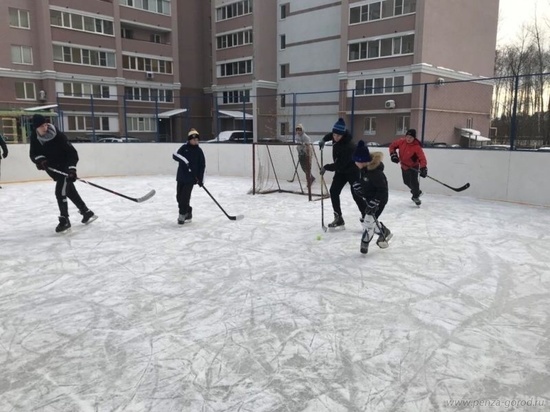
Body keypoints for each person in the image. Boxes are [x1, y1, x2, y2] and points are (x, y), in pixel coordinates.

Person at [29, 114, 96, 233]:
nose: (44, 128)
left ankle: (64, 219)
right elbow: (33, 154)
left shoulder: (58, 135)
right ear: (36, 128)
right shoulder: (34, 137)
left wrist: (71, 169)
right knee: (69, 190)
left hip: (65, 168)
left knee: (60, 191)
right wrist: (40, 160)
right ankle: (86, 212)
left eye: (45, 124)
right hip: (54, 170)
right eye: (41, 126)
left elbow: (72, 153)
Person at [319, 117, 366, 228]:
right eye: (334, 135)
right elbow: (331, 135)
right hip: (341, 171)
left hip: (352, 170)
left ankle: (366, 216)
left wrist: (326, 167)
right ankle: (338, 217)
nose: (335, 138)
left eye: (338, 136)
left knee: (356, 194)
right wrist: (323, 140)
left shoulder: (349, 146)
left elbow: (340, 164)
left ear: (343, 135)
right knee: (334, 191)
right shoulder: (336, 135)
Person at [351, 141, 392, 254]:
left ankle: (364, 243)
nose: (355, 163)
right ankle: (384, 231)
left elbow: (382, 190)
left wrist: (375, 202)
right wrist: (359, 190)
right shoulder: (364, 171)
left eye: (356, 160)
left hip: (380, 200)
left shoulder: (376, 173)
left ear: (362, 161)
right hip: (371, 199)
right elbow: (367, 187)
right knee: (369, 220)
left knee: (368, 221)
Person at [172, 128, 206, 225]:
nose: (195, 141)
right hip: (181, 176)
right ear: (189, 140)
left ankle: (182, 215)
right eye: (193, 140)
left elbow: (202, 166)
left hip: (191, 179)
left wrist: (201, 180)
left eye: (197, 140)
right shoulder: (184, 148)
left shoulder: (199, 151)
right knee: (179, 197)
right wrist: (185, 161)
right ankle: (188, 211)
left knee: (185, 198)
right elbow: (175, 155)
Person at [388, 128, 428, 206]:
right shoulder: (401, 142)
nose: (408, 139)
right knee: (406, 181)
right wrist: (393, 155)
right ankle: (416, 191)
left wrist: (423, 168)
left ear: (414, 138)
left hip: (414, 166)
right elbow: (392, 146)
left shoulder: (417, 147)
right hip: (404, 165)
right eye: (407, 137)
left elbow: (422, 158)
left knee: (414, 181)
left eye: (411, 137)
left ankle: (415, 196)